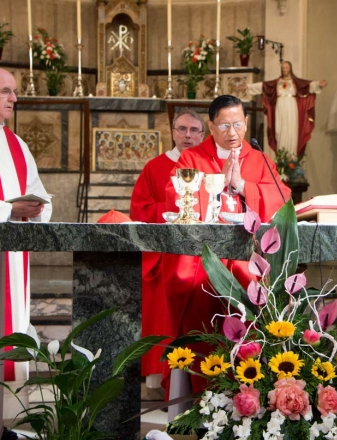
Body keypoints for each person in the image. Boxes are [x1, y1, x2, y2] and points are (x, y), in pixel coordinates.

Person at [162, 95, 290, 418]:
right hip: (202, 260)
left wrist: (243, 184)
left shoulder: (259, 157)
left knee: (253, 287)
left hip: (248, 257)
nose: (232, 132)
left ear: (246, 124)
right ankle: (203, 404)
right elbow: (174, 196)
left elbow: (282, 197)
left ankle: (250, 401)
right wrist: (217, 188)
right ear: (211, 126)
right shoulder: (191, 157)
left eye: (237, 124)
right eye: (224, 125)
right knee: (199, 291)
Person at [0, 67, 52, 417]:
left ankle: (8, 417)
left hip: (14, 258)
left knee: (13, 327)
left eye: (14, 92)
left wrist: (34, 210)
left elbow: (39, 194)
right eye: (7, 92)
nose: (14, 99)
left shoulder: (16, 143)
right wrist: (9, 209)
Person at [129, 109, 205, 396]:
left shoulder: (208, 167)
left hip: (201, 257)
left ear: (202, 134)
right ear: (172, 132)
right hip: (165, 257)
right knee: (165, 322)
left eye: (194, 130)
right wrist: (173, 211)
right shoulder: (155, 167)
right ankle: (158, 383)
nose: (188, 135)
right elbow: (140, 210)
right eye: (182, 129)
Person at [241, 61, 327, 157]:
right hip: (280, 107)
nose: (285, 69)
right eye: (283, 68)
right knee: (279, 129)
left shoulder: (296, 83)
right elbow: (263, 86)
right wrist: (248, 86)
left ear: (290, 68)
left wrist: (318, 84)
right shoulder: (276, 83)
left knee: (292, 129)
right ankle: (281, 157)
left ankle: (292, 156)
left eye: (286, 67)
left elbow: (307, 85)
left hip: (291, 106)